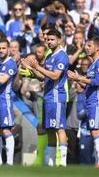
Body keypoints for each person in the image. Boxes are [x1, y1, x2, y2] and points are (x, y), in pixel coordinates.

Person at [23, 29, 69, 167]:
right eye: (47, 39)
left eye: (52, 39)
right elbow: (44, 77)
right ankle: (51, 163)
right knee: (49, 129)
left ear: (59, 39)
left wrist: (36, 65)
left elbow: (55, 75)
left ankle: (63, 163)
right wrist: (31, 69)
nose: (49, 42)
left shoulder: (62, 56)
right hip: (48, 97)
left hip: (56, 97)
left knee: (59, 128)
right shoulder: (50, 56)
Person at [68, 37, 99, 167]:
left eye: (89, 45)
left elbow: (97, 82)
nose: (86, 47)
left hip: (97, 101)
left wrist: (79, 77)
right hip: (90, 101)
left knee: (96, 131)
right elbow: (89, 86)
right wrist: (77, 79)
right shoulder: (92, 65)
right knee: (93, 131)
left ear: (97, 48)